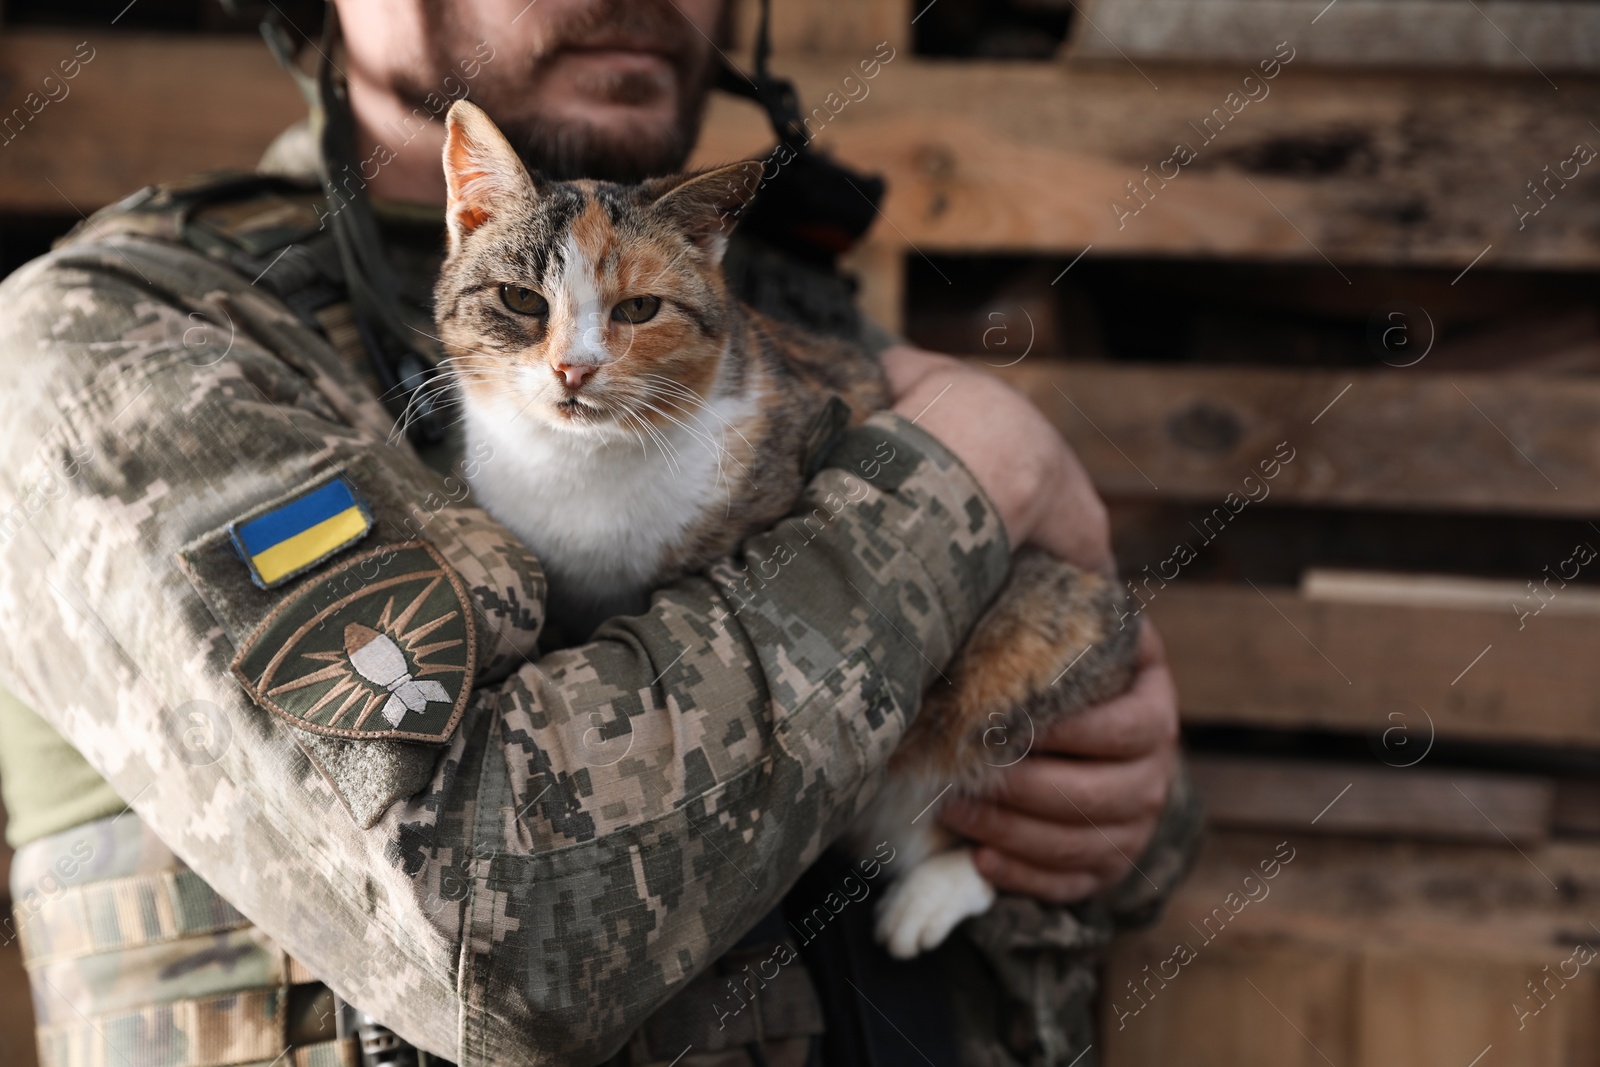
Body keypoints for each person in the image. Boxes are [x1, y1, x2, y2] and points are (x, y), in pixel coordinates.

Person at [0, 1, 1199, 1064]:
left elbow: (1107, 807)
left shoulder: (782, 306)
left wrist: (1122, 804)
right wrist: (966, 474)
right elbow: (501, 940)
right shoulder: (125, 346)